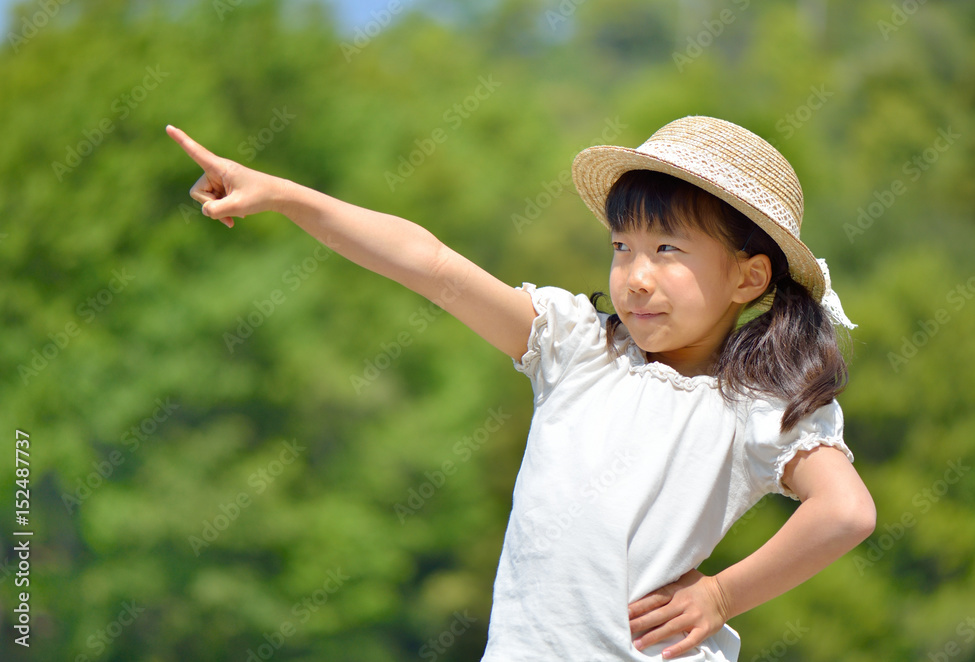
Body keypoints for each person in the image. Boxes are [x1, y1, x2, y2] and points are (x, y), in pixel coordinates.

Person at [166, 115, 876, 661]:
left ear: (748, 277)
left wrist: (722, 593)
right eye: (622, 247)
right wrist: (287, 197)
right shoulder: (577, 347)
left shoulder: (754, 403)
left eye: (668, 250)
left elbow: (845, 512)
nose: (635, 274)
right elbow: (432, 264)